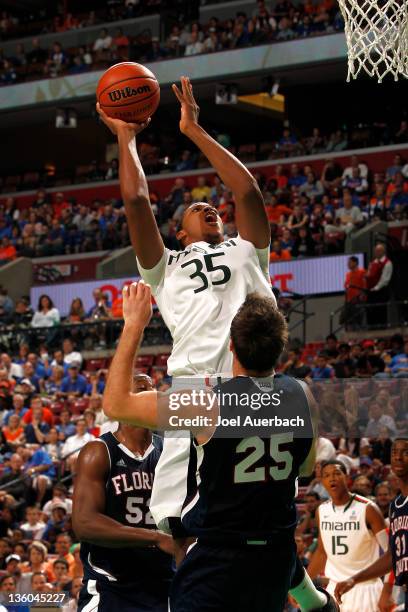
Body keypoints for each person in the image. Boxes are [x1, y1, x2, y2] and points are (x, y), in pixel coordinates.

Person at [98, 78, 334, 612]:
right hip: (197, 402)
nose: (211, 208)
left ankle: (298, 594)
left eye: (214, 208)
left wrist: (195, 130)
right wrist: (126, 138)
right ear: (178, 234)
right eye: (197, 208)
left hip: (253, 395)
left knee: (245, 524)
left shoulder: (248, 251)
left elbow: (247, 191)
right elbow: (136, 199)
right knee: (197, 530)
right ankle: (308, 598)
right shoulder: (164, 269)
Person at [102, 282, 337, 612]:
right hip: (274, 559)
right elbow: (306, 468)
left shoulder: (205, 403)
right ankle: (318, 604)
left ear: (231, 347)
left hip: (219, 563)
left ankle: (318, 603)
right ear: (279, 349)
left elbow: (114, 404)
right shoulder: (303, 396)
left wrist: (133, 326)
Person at [73, 374, 174, 612]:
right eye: (141, 390)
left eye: (153, 392)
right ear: (121, 400)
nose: (150, 397)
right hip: (111, 585)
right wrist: (155, 538)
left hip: (162, 587)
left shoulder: (169, 452)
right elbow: (84, 524)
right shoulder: (99, 451)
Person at [335, 439, 408, 612]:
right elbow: (392, 557)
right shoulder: (396, 506)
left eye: (405, 452)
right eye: (394, 452)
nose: (398, 457)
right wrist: (354, 579)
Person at [308, 460, 387, 611]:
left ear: (347, 477)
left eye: (337, 473)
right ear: (322, 481)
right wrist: (304, 584)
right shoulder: (321, 511)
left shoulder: (368, 509)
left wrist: (389, 589)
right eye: (327, 475)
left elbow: (391, 555)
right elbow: (322, 552)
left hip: (365, 588)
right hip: (334, 589)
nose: (332, 478)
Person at [365, 243, 393, 327]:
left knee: (380, 312)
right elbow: (369, 274)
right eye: (375, 251)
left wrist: (376, 288)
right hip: (371, 291)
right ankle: (371, 329)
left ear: (383, 252)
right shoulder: (373, 262)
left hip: (381, 292)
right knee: (370, 312)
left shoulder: (387, 263)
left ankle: (381, 330)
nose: (376, 253)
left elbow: (385, 279)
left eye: (378, 251)